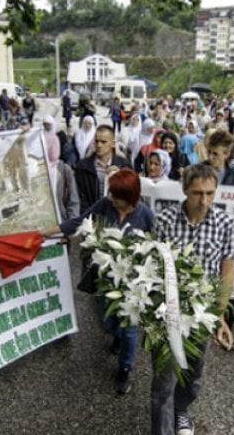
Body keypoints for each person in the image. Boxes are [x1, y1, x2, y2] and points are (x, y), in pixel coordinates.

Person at [42, 168, 152, 395]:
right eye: (111, 193)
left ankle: (125, 368)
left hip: (132, 285)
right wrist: (46, 233)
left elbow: (157, 247)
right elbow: (80, 221)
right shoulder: (105, 205)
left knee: (130, 329)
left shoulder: (146, 216)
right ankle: (117, 336)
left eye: (116, 195)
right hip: (106, 280)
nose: (111, 198)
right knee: (108, 323)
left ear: (131, 197)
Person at [151, 164, 234, 435]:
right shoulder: (163, 221)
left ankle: (182, 411)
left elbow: (227, 270)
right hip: (167, 312)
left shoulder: (227, 223)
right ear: (185, 190)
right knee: (164, 377)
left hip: (202, 315)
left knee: (193, 373)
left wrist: (220, 314)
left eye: (210, 193)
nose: (204, 201)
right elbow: (152, 266)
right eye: (197, 193)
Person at [75, 125, 131, 213]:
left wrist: (121, 177)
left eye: (103, 142)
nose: (99, 145)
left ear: (113, 144)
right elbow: (80, 197)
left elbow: (131, 194)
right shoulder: (83, 166)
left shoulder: (124, 165)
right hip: (90, 218)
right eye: (96, 141)